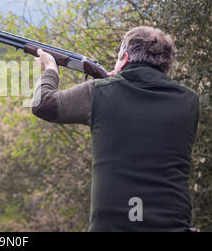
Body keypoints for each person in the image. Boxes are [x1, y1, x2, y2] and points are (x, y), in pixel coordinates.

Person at [32, 26, 199, 232]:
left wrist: (50, 68)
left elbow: (43, 105)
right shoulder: (188, 101)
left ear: (125, 58)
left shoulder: (99, 93)